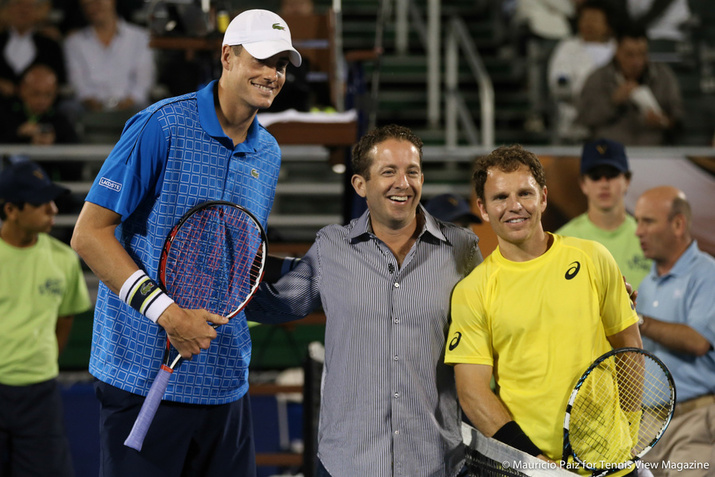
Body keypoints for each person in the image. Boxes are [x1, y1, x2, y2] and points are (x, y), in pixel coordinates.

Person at [70, 9, 301, 476]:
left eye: (281, 65)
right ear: (227, 57)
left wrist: (291, 282)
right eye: (261, 59)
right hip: (140, 378)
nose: (272, 74)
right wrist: (170, 316)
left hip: (225, 383)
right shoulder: (160, 125)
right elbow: (89, 235)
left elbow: (233, 256)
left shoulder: (269, 152)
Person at [246, 124, 483, 477]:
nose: (403, 183)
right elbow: (285, 303)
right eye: (389, 171)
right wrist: (226, 288)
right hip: (348, 463)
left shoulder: (462, 248)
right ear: (361, 185)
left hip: (435, 463)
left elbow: (489, 327)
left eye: (412, 171)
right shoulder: (331, 245)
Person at [445, 144, 642, 476]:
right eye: (500, 197)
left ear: (544, 197)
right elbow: (472, 391)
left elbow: (629, 345)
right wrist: (533, 459)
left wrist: (628, 428)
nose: (514, 206)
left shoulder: (594, 257)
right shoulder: (472, 291)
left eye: (525, 193)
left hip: (614, 464)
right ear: (482, 207)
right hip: (531, 469)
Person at [0, 159, 91, 477]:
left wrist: (42, 361)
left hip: (41, 394)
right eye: (41, 203)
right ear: (11, 209)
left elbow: (65, 320)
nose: (53, 209)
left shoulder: (65, 259)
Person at [634, 186, 715, 476]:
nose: (638, 231)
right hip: (647, 428)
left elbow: (697, 342)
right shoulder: (647, 284)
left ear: (678, 224)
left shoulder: (708, 274)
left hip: (694, 421)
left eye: (648, 221)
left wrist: (635, 318)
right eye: (638, 221)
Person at [556, 138, 651, 288]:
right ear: (583, 184)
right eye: (595, 176)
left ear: (627, 180)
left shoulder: (648, 238)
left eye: (611, 174)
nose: (604, 184)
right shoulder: (563, 241)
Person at [576, 23, 684, 145]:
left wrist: (665, 122)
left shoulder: (663, 76)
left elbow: (679, 118)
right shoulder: (598, 78)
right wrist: (613, 102)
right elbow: (583, 120)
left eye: (642, 54)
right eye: (630, 55)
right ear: (617, 51)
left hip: (654, 154)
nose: (637, 62)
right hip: (609, 153)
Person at [63, 0, 155, 113]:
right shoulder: (74, 42)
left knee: (150, 110)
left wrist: (127, 103)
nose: (93, 8)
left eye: (98, 2)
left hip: (132, 106)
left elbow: (143, 82)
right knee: (67, 109)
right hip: (90, 107)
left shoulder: (141, 37)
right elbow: (78, 83)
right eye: (87, 5)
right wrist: (93, 103)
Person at [547, 0, 618, 143]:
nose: (588, 24)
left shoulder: (618, 49)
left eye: (594, 20)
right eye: (584, 19)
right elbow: (558, 85)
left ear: (608, 25)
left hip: (615, 124)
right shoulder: (567, 47)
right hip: (576, 123)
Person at [0, 0, 66, 98]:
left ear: (36, 13)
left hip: (41, 107)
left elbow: (60, 80)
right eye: (18, 7)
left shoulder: (50, 45)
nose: (23, 12)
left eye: (28, 8)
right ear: (8, 10)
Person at [0, 64, 78, 145]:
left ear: (55, 93)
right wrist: (19, 134)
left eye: (48, 95)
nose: (42, 101)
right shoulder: (5, 114)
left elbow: (75, 151)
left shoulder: (60, 121)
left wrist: (54, 142)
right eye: (36, 94)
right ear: (22, 90)